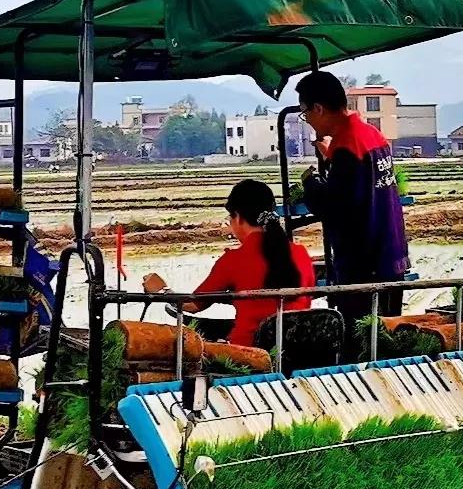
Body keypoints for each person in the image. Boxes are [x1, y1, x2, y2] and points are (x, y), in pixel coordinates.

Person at [296, 70, 410, 324]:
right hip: (391, 255)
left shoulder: (348, 147)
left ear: (318, 108)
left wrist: (310, 182)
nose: (308, 121)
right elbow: (361, 186)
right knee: (386, 333)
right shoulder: (371, 135)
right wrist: (333, 157)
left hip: (364, 264)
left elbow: (334, 208)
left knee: (363, 342)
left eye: (305, 114)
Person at [144, 179, 314, 347]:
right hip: (303, 349)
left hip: (252, 354)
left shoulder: (234, 260)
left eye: (230, 218)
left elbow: (192, 305)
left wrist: (162, 290)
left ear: (238, 218)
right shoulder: (301, 254)